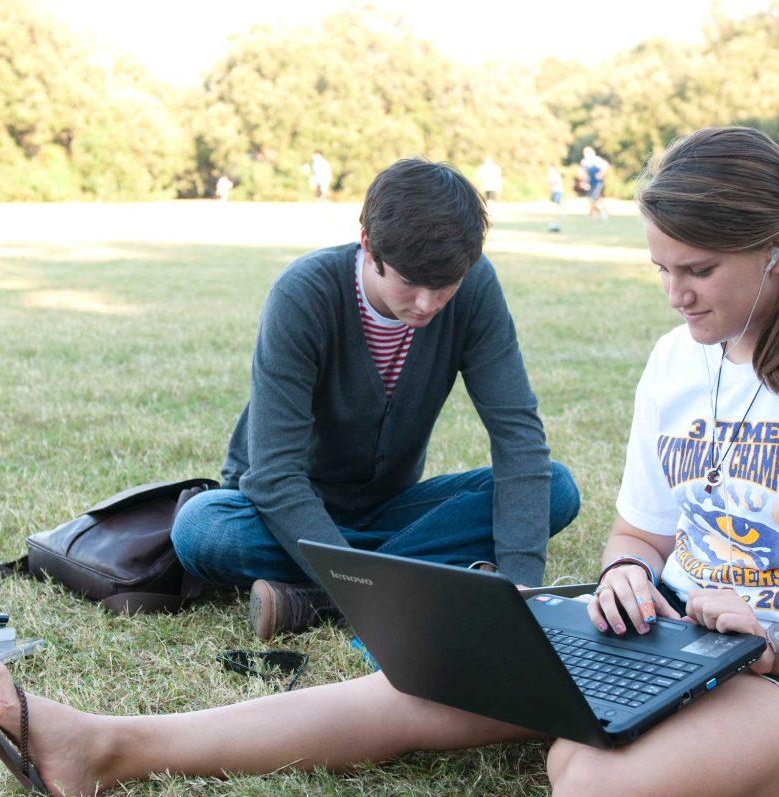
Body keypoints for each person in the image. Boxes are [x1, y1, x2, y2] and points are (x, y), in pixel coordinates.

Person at [0, 128, 779, 797]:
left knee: (585, 768)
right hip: (674, 636)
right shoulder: (680, 363)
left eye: (697, 270)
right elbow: (640, 534)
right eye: (660, 268)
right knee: (426, 672)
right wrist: (623, 573)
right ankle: (103, 744)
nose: (674, 296)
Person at [171, 157, 579, 641]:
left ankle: (314, 600)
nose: (427, 304)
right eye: (410, 282)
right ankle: (405, 577)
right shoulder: (303, 294)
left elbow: (519, 438)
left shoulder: (475, 285)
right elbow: (274, 476)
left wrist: (520, 589)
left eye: (444, 286)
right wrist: (358, 580)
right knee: (201, 529)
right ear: (368, 245)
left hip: (388, 505)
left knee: (555, 488)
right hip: (280, 513)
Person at [580, 146, 608, 221]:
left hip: (597, 183)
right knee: (598, 199)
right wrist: (583, 182)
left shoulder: (597, 160)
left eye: (587, 152)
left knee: (592, 198)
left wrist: (600, 175)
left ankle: (595, 214)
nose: (585, 154)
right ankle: (602, 213)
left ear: (592, 152)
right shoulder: (584, 162)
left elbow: (605, 167)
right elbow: (584, 173)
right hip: (591, 183)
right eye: (584, 152)